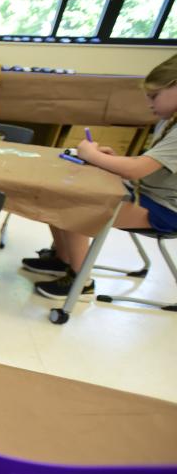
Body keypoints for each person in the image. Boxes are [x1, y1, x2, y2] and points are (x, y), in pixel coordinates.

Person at [23, 53, 177, 300]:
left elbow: (136, 170)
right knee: (60, 193)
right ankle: (64, 259)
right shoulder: (168, 120)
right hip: (147, 194)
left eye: (154, 96)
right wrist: (114, 159)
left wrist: (93, 155)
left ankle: (81, 282)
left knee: (76, 206)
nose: (149, 104)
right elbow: (145, 166)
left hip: (165, 210)